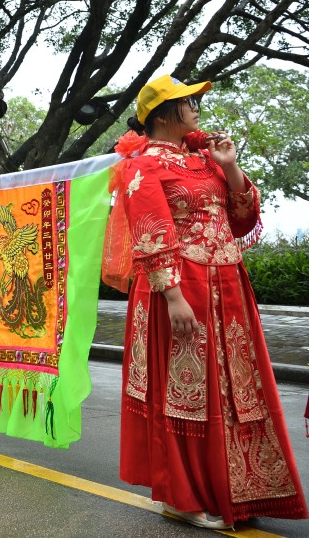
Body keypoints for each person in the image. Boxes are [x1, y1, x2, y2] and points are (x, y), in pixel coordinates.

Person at [107, 75, 307, 530]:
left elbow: (241, 218)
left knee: (237, 391)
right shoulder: (142, 166)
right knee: (186, 393)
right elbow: (150, 232)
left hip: (228, 286)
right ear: (163, 115)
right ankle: (182, 496)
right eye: (188, 102)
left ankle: (234, 488)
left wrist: (230, 166)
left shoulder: (205, 160)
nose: (197, 107)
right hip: (180, 287)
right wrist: (173, 296)